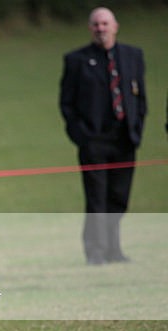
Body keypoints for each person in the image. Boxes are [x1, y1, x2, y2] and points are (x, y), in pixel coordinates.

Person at [59, 7, 147, 265]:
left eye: (105, 23)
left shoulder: (133, 56)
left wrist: (137, 128)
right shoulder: (77, 60)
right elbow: (67, 103)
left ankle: (114, 249)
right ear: (90, 28)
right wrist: (82, 136)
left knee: (118, 198)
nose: (101, 28)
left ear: (115, 26)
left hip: (125, 139)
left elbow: (140, 97)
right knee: (97, 198)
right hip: (93, 140)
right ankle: (95, 251)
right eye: (96, 24)